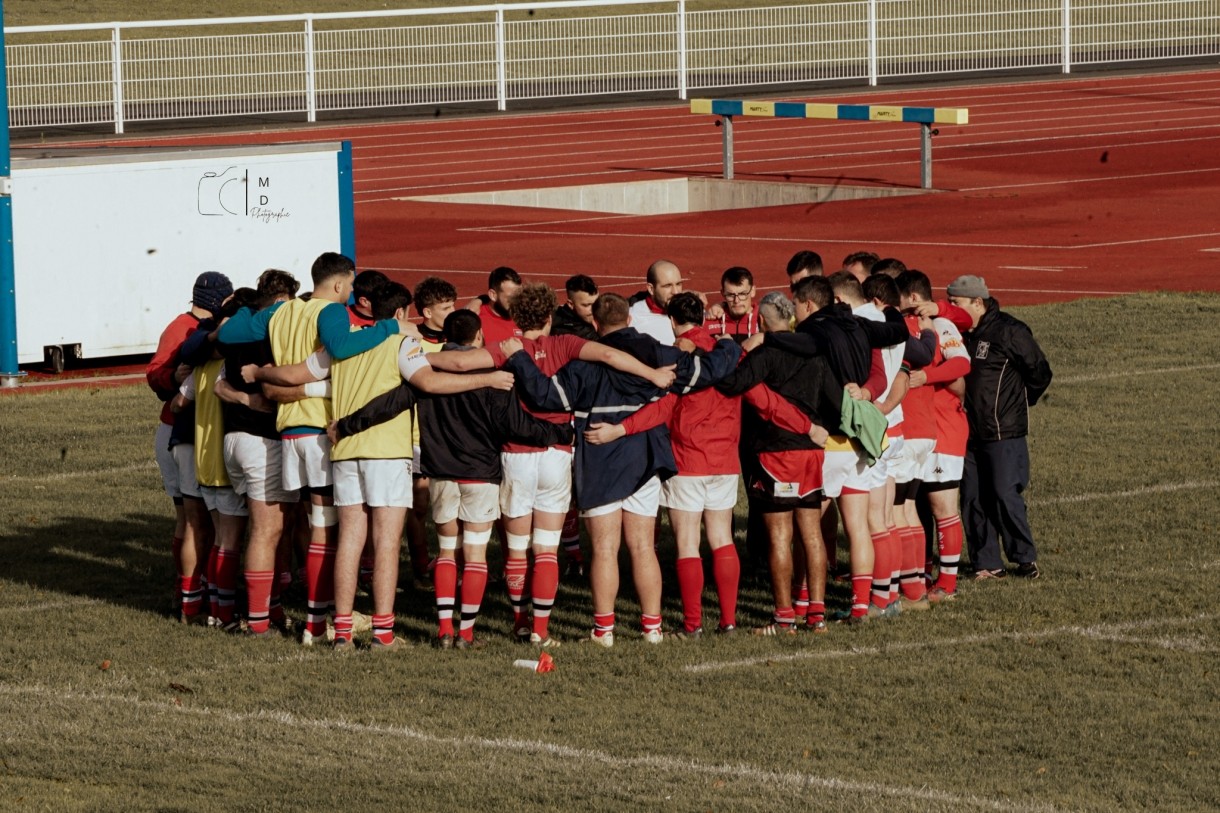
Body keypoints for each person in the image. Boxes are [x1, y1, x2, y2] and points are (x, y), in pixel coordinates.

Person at [504, 293, 741, 646]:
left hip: (599, 461)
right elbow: (707, 372)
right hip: (644, 460)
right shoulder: (658, 353)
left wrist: (519, 358)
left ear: (596, 325)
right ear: (630, 320)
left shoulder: (584, 363)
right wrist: (729, 346)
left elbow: (545, 396)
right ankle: (652, 628)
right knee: (644, 547)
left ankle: (604, 631)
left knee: (604, 549)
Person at [589, 292, 816, 636]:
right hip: (724, 462)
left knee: (687, 544)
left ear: (671, 321)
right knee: (723, 538)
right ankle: (727, 620)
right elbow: (762, 398)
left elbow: (662, 409)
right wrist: (807, 425)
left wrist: (623, 428)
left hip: (687, 461)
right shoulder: (729, 358)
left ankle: (692, 623)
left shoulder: (679, 358)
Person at [217, 252, 410, 644]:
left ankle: (264, 615)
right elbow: (339, 348)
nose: (352, 294)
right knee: (324, 532)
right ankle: (315, 624)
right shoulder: (331, 312)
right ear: (339, 285)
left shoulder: (282, 312)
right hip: (320, 430)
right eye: (351, 286)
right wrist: (389, 327)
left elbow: (228, 334)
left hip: (287, 431)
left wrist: (239, 319)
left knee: (288, 528)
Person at [409, 309, 572, 649]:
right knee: (476, 555)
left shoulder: (427, 369)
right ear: (479, 336)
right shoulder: (492, 374)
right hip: (480, 475)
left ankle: (443, 630)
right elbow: (513, 425)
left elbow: (397, 400)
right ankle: (466, 634)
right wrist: (557, 432)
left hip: (440, 473)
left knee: (447, 551)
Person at [212, 269, 299, 638]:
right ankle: (259, 622)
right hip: (261, 441)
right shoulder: (275, 331)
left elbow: (220, 381)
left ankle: (256, 611)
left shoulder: (238, 328)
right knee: (267, 531)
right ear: (281, 301)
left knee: (243, 532)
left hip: (233, 438)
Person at [948, 275, 1053, 579]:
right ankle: (987, 563)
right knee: (972, 498)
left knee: (1004, 494)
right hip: (967, 431)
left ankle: (1024, 558)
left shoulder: (1010, 331)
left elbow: (1039, 372)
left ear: (977, 303)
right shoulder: (957, 333)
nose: (951, 309)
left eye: (957, 303)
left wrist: (1018, 404)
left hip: (1003, 430)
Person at [148, 271, 232, 621]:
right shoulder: (184, 328)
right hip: (181, 431)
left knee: (194, 519)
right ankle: (190, 595)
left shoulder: (196, 327)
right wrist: (175, 378)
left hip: (188, 430)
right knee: (194, 519)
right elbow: (155, 374)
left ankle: (190, 594)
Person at [895, 269, 972, 597]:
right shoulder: (910, 326)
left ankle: (948, 583)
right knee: (917, 506)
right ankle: (920, 575)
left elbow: (962, 364)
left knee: (943, 507)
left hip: (944, 428)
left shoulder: (940, 325)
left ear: (913, 297)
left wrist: (928, 377)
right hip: (922, 427)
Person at [628, 260, 684, 344]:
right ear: (651, 289)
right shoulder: (632, 318)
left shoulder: (692, 310)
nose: (676, 291)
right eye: (668, 286)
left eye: (678, 284)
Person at [704, 266, 760, 343]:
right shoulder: (710, 321)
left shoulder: (764, 321)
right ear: (723, 293)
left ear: (753, 291)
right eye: (730, 295)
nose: (736, 301)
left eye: (742, 294)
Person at [471, 266, 523, 347]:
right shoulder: (475, 320)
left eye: (519, 296)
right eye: (511, 297)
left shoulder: (525, 317)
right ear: (493, 295)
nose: (517, 301)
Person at [552, 274, 598, 341]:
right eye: (586, 305)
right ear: (570, 304)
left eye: (596, 303)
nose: (593, 309)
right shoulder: (583, 333)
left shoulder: (553, 316)